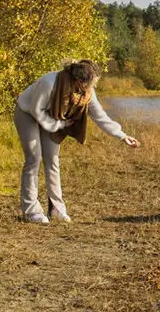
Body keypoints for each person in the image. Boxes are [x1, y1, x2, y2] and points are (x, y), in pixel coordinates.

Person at [14, 59, 140, 224]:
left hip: (51, 117)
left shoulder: (86, 91)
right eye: (90, 84)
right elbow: (36, 110)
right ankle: (31, 211)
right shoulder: (49, 83)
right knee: (34, 158)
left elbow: (99, 115)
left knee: (52, 160)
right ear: (79, 81)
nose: (92, 88)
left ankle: (57, 210)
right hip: (28, 113)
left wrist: (122, 135)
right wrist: (60, 124)